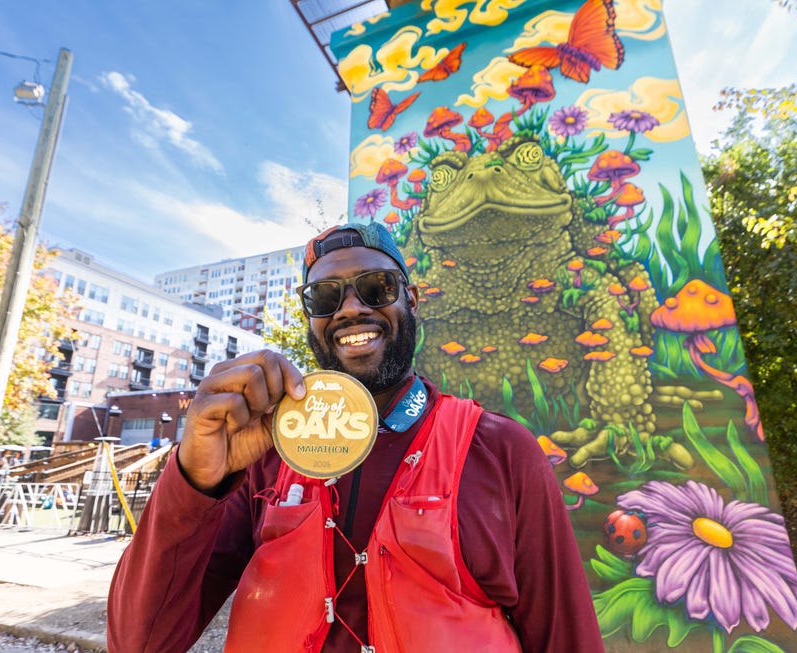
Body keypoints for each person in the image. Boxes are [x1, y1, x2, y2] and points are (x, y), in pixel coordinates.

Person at [107, 223, 603, 652]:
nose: (349, 309)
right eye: (325, 297)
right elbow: (140, 643)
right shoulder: (263, 455)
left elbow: (565, 637)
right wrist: (193, 481)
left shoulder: (499, 449)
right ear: (311, 318)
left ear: (411, 299)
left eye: (376, 287)